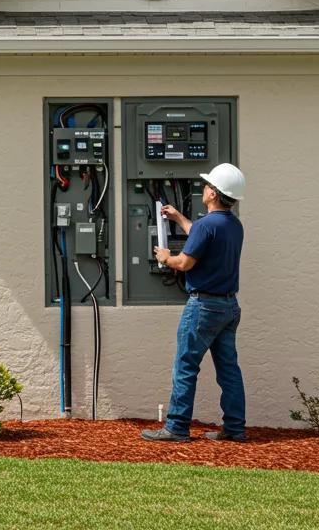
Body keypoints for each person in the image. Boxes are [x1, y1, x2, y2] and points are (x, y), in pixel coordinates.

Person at [141, 163, 248, 443]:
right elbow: (201, 235)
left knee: (186, 365)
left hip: (203, 307)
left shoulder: (206, 226)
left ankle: (176, 427)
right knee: (229, 369)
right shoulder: (233, 225)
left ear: (213, 193)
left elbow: (186, 262)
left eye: (207, 185)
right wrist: (179, 218)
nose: (204, 188)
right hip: (228, 307)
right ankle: (235, 429)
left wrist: (165, 257)